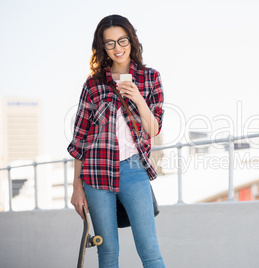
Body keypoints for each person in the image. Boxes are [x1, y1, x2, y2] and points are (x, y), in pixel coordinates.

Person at [68, 14, 165, 268]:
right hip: (95, 173)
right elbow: (80, 140)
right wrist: (77, 187)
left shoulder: (150, 77)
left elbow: (153, 129)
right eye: (109, 43)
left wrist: (138, 99)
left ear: (131, 41)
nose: (117, 48)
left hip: (134, 169)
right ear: (102, 47)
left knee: (150, 248)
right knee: (108, 251)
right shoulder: (93, 84)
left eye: (122, 40)